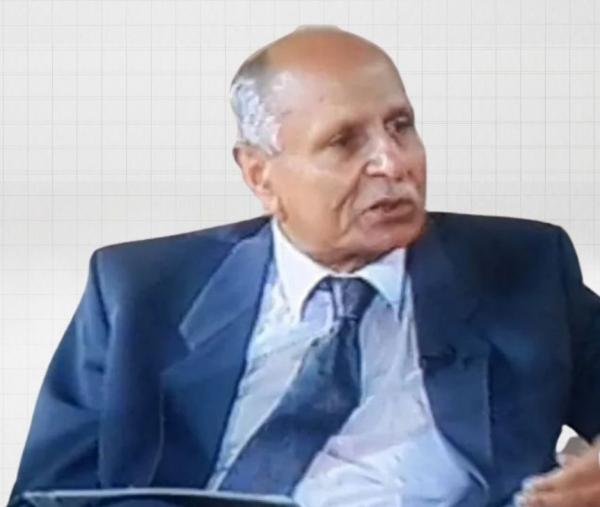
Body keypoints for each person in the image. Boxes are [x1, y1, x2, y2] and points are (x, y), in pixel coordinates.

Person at [8, 26, 600, 507]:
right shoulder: (140, 291)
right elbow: (47, 497)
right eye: (345, 141)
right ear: (260, 175)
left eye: (400, 126)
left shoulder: (522, 267)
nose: (393, 163)